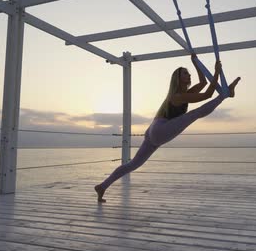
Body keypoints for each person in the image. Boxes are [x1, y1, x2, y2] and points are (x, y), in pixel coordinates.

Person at [94, 54, 240, 202]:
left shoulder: (184, 94)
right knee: (195, 114)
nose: (189, 76)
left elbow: (203, 82)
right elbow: (208, 94)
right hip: (160, 130)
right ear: (177, 78)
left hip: (153, 131)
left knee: (132, 164)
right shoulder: (177, 96)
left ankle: (102, 186)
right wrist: (216, 72)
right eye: (185, 74)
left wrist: (195, 62)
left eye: (189, 74)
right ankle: (225, 95)